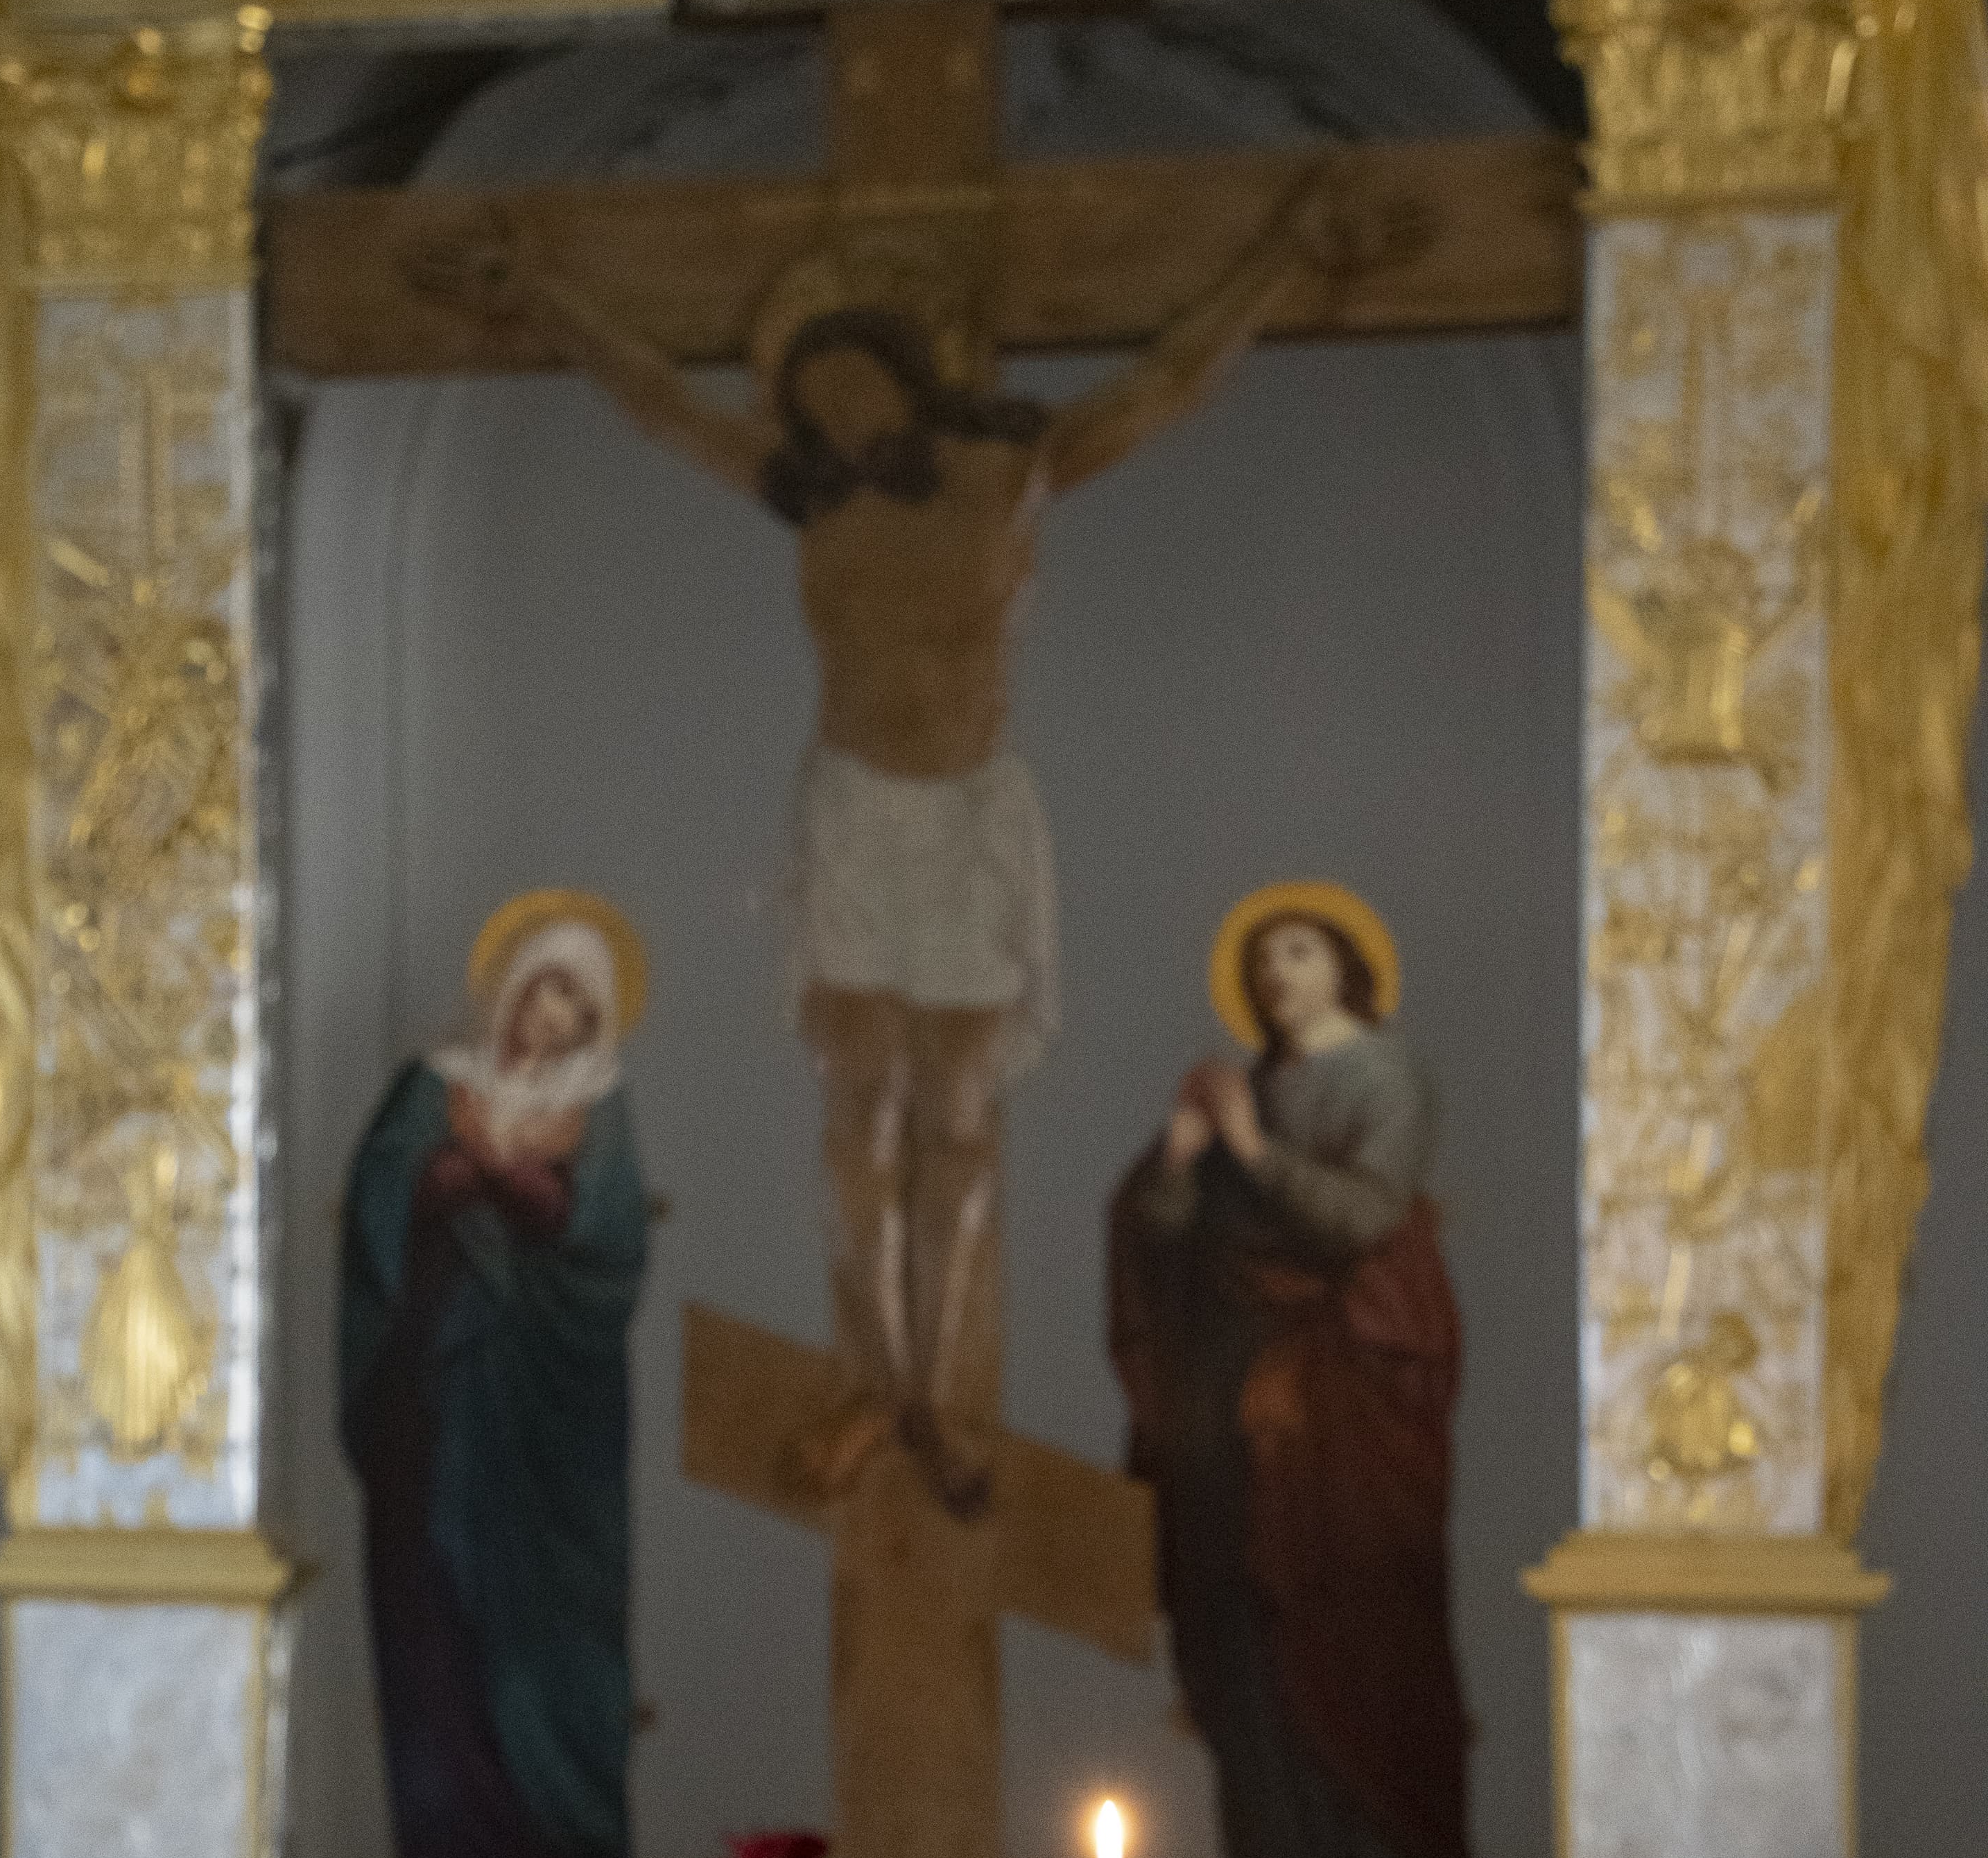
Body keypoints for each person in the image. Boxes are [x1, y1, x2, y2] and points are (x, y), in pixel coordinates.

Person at [411, 164, 1420, 1514]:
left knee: (956, 1121)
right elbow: (660, 405)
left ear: (908, 374)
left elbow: (1168, 382)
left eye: (858, 388)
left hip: (972, 823)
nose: (839, 418)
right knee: (857, 1121)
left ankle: (935, 1399)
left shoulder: (1011, 470)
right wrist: (541, 296)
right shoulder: (811, 497)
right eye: (815, 403)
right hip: (853, 817)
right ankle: (871, 1391)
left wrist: (1286, 261)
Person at [1108, 883, 1477, 1858]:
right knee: (1249, 1654)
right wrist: (1179, 1161)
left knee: (1374, 1646)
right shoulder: (1247, 1088)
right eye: (1264, 960)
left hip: (1350, 1401)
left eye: (1301, 952)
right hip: (1234, 1403)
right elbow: (1164, 1239)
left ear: (1348, 969)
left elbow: (1363, 1218)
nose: (1278, 975)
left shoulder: (1385, 1076)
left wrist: (1250, 1148)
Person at [340, 890, 652, 1858]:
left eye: (576, 1004)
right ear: (508, 990)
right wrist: (445, 1175)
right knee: (437, 1640)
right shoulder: (434, 1087)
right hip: (439, 1400)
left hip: (555, 1433)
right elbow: (377, 1206)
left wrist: (523, 1190)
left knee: (558, 1652)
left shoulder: (599, 1109)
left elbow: (611, 1247)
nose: (551, 1019)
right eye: (541, 991)